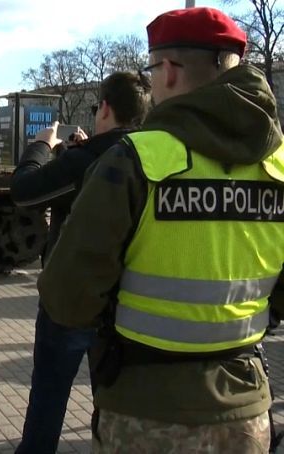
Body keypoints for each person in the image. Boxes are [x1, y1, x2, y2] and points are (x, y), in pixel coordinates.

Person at [39, 7, 284, 452]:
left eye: (153, 69)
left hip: (144, 411)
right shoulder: (278, 165)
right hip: (247, 413)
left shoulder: (135, 160)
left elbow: (66, 296)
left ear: (169, 71)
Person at [11, 71, 150, 454]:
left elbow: (24, 192)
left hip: (70, 300)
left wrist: (41, 146)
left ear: (104, 107)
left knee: (49, 395)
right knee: (110, 395)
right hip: (127, 301)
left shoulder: (85, 160)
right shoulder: (148, 157)